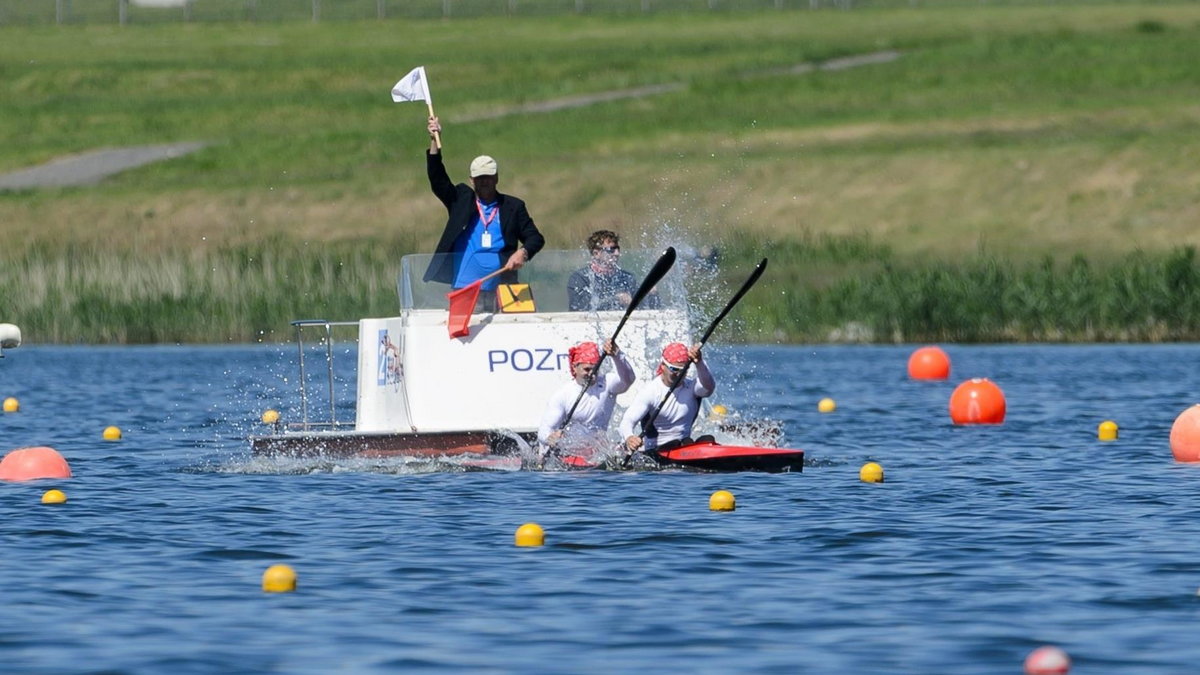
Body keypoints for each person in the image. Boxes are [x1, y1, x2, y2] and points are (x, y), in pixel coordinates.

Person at [423, 116, 545, 297]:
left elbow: (535, 238)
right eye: (479, 178)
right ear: (471, 180)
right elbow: (437, 179)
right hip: (465, 289)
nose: (484, 182)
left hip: (504, 289)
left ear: (496, 178)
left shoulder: (513, 206)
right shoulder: (461, 200)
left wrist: (523, 253)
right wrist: (435, 140)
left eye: (488, 177)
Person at [537, 339, 635, 454]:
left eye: (595, 369)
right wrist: (550, 438)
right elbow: (543, 430)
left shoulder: (607, 384)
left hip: (596, 452)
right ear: (574, 367)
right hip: (569, 452)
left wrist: (617, 355)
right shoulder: (563, 395)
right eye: (587, 369)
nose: (591, 374)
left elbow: (628, 379)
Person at [618, 342, 714, 454]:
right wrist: (629, 438)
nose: (679, 374)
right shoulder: (651, 392)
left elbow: (709, 387)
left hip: (684, 445)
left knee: (708, 439)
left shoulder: (692, 388)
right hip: (655, 451)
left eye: (683, 370)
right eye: (674, 369)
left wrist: (699, 362)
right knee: (682, 443)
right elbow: (627, 421)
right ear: (663, 366)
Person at [567, 230, 660, 312]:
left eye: (617, 249)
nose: (617, 253)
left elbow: (646, 310)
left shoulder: (627, 277)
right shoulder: (580, 278)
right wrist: (614, 299)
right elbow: (578, 308)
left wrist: (651, 296)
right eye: (611, 250)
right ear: (596, 253)